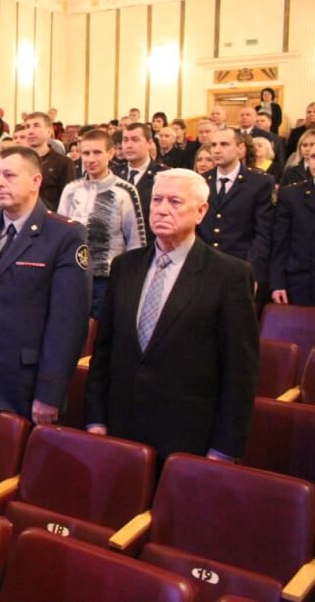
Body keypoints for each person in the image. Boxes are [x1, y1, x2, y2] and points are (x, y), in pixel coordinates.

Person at [85, 169, 258, 462]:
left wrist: (224, 449)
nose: (162, 209)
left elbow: (239, 372)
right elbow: (104, 351)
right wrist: (95, 418)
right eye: (157, 200)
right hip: (120, 425)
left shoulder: (229, 275)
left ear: (201, 211)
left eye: (175, 202)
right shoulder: (125, 266)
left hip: (187, 435)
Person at [0, 146, 90, 424]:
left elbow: (67, 323)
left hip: (27, 381)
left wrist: (50, 393)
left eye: (9, 175)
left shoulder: (64, 234)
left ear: (36, 181)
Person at [57, 129, 146, 318]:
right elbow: (59, 235)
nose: (90, 159)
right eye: (86, 153)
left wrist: (132, 280)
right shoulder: (71, 190)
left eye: (97, 152)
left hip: (107, 279)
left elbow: (135, 241)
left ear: (110, 153)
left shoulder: (125, 191)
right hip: (73, 275)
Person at [198, 128, 274, 285]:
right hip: (203, 267)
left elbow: (263, 233)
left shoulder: (259, 182)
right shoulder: (200, 181)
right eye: (214, 145)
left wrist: (252, 272)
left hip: (240, 267)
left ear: (240, 148)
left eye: (224, 144)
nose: (217, 150)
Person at [271, 144, 315, 307]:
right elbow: (280, 242)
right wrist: (277, 283)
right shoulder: (291, 194)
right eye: (313, 157)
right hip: (301, 283)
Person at [114, 123, 169, 245]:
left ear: (149, 143)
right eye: (125, 140)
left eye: (135, 140)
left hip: (151, 246)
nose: (129, 145)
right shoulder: (113, 174)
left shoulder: (164, 175)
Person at [24, 111, 75, 211]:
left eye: (36, 126)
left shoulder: (63, 163)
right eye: (27, 127)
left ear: (49, 131)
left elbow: (68, 201)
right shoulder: (19, 162)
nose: (30, 131)